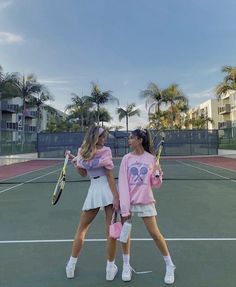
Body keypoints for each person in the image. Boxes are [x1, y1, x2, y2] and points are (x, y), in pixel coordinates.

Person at [118, 128, 176, 284]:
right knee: (125, 235)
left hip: (146, 201)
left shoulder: (151, 159)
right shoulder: (126, 159)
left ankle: (170, 265)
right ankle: (125, 265)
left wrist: (158, 175)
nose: (129, 140)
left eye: (131, 138)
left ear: (139, 140)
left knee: (155, 233)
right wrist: (124, 207)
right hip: (129, 202)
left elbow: (155, 184)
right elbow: (122, 184)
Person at [65, 125, 119, 281]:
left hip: (96, 189)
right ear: (95, 137)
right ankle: (108, 270)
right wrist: (115, 197)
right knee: (103, 230)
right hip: (105, 189)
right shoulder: (102, 151)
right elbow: (108, 175)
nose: (104, 139)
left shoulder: (83, 152)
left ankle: (72, 266)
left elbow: (83, 173)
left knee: (86, 230)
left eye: (104, 136)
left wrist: (77, 161)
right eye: (102, 136)